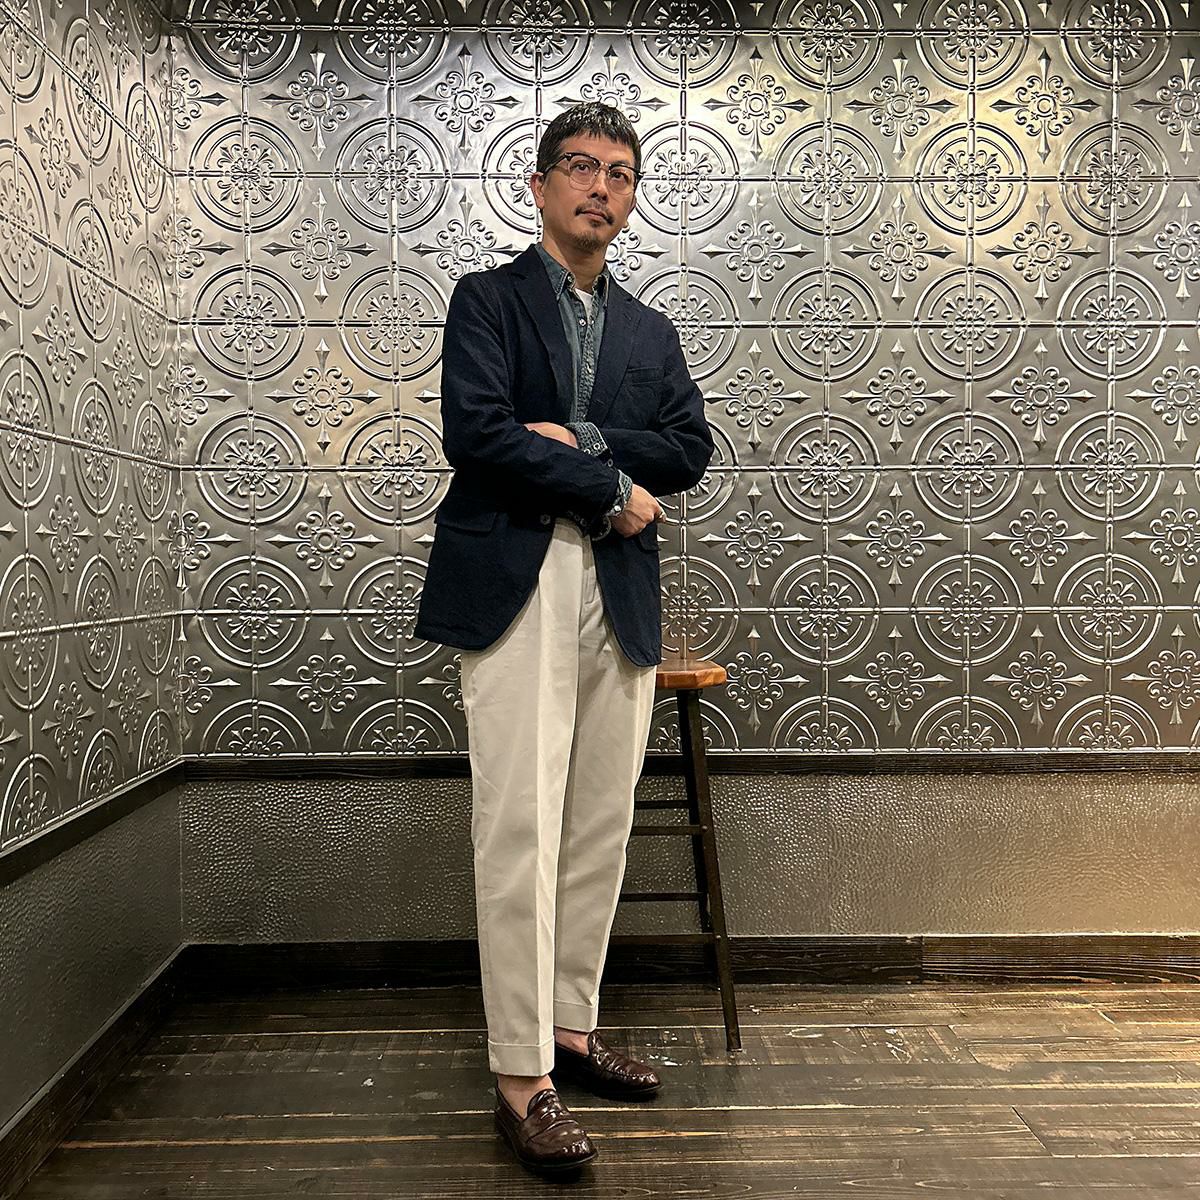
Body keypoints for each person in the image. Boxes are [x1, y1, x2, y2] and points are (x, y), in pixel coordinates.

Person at [413, 102, 714, 1174]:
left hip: (617, 592)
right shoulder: (486, 300)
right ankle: (519, 1074)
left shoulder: (651, 332)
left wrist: (584, 438)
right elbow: (479, 434)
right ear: (540, 187)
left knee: (598, 823)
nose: (600, 187)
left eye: (619, 173)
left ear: (631, 199)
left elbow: (690, 449)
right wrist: (613, 489)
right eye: (580, 167)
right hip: (516, 576)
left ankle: (571, 1031)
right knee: (520, 825)